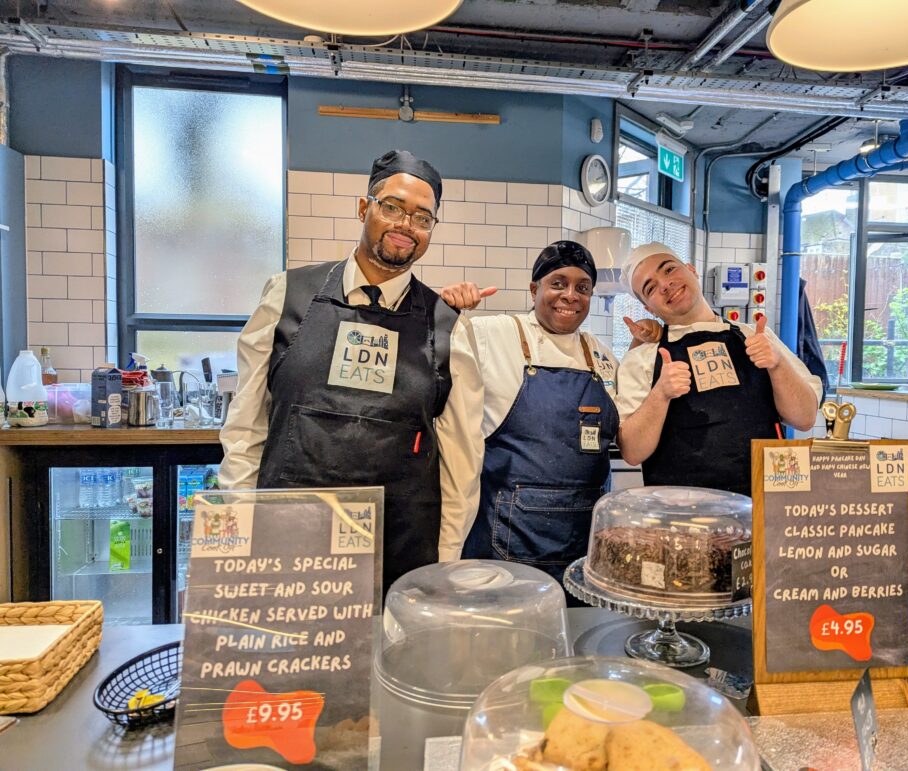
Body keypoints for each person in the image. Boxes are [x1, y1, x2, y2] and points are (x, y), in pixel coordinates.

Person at [219, 149, 482, 592]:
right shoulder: (287, 296)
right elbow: (246, 429)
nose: (405, 226)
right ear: (365, 208)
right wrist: (241, 528)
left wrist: (446, 562)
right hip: (287, 540)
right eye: (392, 207)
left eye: (422, 218)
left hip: (400, 552)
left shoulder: (449, 327)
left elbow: (461, 461)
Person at [444, 242, 619, 591]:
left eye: (582, 288)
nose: (570, 295)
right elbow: (434, 358)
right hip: (507, 542)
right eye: (558, 283)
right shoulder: (491, 334)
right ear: (534, 288)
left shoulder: (600, 356)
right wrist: (447, 311)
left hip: (583, 548)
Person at [616, 242, 821, 496]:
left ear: (691, 270)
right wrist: (661, 394)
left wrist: (777, 364)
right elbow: (633, 452)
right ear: (648, 308)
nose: (665, 285)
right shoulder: (641, 359)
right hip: (681, 519)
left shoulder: (756, 337)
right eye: (650, 288)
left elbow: (805, 418)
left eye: (669, 270)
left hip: (762, 511)